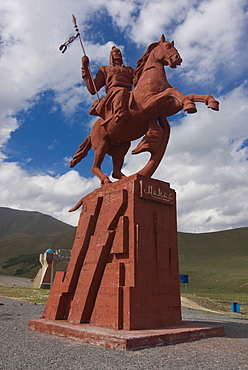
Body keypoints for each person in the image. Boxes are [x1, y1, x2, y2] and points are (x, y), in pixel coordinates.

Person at [81, 46, 134, 123]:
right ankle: (119, 112)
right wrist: (85, 67)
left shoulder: (129, 69)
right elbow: (93, 88)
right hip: (114, 92)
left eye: (119, 52)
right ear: (111, 55)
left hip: (129, 91)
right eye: (116, 52)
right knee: (121, 91)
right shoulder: (105, 69)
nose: (119, 53)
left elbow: (138, 80)